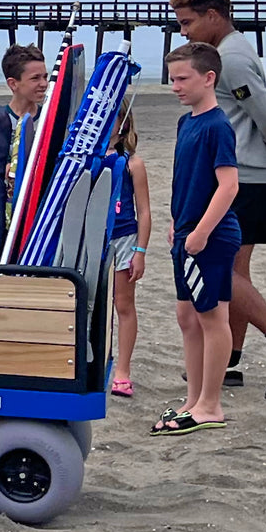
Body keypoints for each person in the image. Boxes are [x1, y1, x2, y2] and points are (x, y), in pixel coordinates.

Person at [171, 0, 266, 398]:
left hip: (244, 176)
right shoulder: (231, 50)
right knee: (236, 271)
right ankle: (230, 362)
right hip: (247, 172)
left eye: (187, 23)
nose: (183, 32)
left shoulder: (230, 58)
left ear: (213, 15)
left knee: (223, 271)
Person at [152, 42, 240, 436]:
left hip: (212, 236)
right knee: (187, 317)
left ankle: (211, 404)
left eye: (183, 78)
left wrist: (202, 231)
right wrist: (178, 221)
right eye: (172, 79)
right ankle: (194, 399)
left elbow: (229, 185)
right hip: (185, 232)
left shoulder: (218, 125)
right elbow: (186, 178)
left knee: (212, 317)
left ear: (208, 78)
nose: (175, 86)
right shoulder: (186, 122)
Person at [106, 103, 151, 398]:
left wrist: (140, 251)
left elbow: (144, 212)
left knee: (123, 304)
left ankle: (123, 370)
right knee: (88, 305)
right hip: (93, 238)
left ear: (124, 122)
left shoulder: (133, 163)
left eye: (114, 116)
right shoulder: (84, 158)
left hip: (124, 238)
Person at [1, 44, 50, 220]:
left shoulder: (49, 119)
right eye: (35, 78)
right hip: (9, 211)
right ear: (13, 83)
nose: (44, 84)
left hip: (41, 207)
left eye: (45, 77)